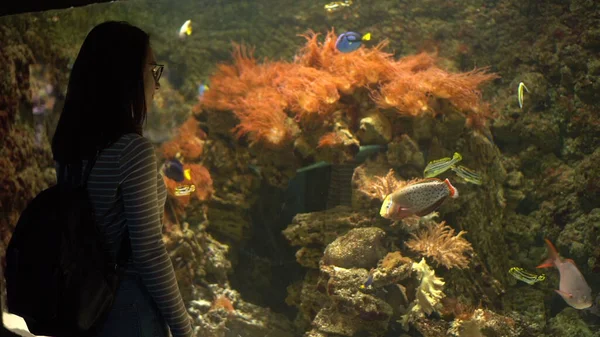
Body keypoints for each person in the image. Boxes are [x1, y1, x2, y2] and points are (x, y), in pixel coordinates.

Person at [51, 21, 193, 337]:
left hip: (85, 307)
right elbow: (149, 253)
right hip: (130, 313)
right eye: (153, 71)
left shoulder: (71, 143)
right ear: (127, 76)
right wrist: (184, 328)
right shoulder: (132, 151)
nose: (157, 85)